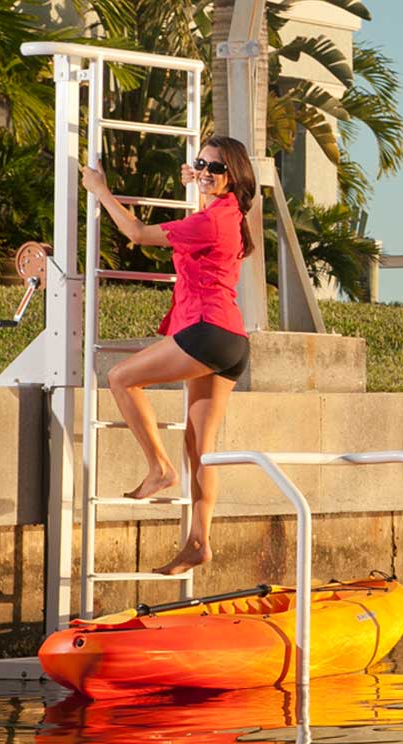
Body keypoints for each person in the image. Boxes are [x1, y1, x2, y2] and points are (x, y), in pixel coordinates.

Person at [79, 135, 256, 575]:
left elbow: (135, 233)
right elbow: (204, 205)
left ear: (233, 176)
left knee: (121, 377)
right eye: (201, 163)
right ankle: (199, 542)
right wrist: (198, 179)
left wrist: (100, 189)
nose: (205, 172)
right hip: (232, 342)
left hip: (207, 332)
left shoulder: (211, 221)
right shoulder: (228, 214)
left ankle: (157, 468)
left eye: (215, 168)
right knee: (200, 448)